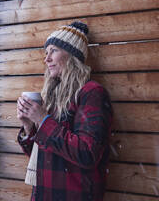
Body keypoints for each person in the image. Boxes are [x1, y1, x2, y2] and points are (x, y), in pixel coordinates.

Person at [17, 21, 113, 201]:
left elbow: (87, 153)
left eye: (53, 50)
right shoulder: (52, 97)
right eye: (46, 53)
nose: (47, 59)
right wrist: (29, 127)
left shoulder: (92, 93)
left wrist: (43, 121)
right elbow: (44, 155)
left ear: (72, 55)